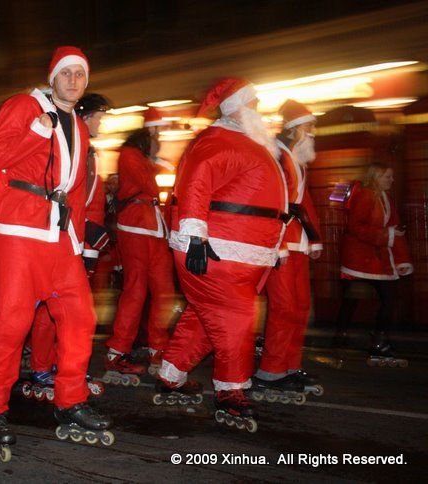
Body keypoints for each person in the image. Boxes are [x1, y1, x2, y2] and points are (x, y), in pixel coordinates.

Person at [0, 46, 113, 462]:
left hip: (59, 236)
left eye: (81, 74)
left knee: (81, 317)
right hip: (20, 228)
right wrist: (36, 132)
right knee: (11, 322)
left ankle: (70, 400)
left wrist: (78, 242)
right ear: (53, 76)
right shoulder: (24, 105)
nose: (74, 80)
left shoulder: (80, 124)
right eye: (67, 73)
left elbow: (74, 189)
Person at [157, 78, 287, 432]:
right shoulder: (218, 142)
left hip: (237, 251)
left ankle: (172, 373)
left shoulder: (246, 143)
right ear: (237, 109)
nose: (259, 110)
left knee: (206, 317)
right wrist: (195, 236)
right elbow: (196, 183)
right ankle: (231, 390)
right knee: (236, 317)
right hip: (215, 251)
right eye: (253, 104)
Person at [24, 92, 111, 400]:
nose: (102, 122)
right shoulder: (74, 144)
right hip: (57, 234)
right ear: (86, 118)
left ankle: (61, 364)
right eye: (99, 116)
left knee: (68, 309)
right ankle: (41, 367)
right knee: (48, 306)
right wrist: (81, 237)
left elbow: (90, 200)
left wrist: (89, 245)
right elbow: (69, 196)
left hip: (74, 237)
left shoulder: (88, 149)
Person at [253, 100, 324, 403]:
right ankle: (270, 372)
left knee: (300, 306)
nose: (314, 132)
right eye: (311, 126)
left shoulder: (296, 159)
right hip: (281, 240)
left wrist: (315, 239)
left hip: (298, 242)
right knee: (283, 307)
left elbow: (304, 202)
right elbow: (273, 202)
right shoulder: (277, 156)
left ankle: (289, 366)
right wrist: (277, 243)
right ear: (298, 128)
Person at [104, 107, 176, 384]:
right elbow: (146, 182)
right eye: (158, 131)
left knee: (164, 291)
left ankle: (158, 346)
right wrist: (160, 163)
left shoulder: (142, 156)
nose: (161, 138)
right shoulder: (130, 155)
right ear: (149, 131)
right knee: (135, 290)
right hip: (135, 224)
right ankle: (117, 351)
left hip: (153, 225)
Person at [335, 162, 413, 367]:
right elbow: (356, 227)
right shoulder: (366, 196)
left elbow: (393, 227)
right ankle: (345, 339)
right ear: (376, 177)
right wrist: (387, 234)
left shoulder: (385, 197)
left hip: (375, 258)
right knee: (353, 301)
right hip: (359, 258)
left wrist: (402, 258)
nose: (392, 180)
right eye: (388, 176)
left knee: (386, 298)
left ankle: (375, 339)